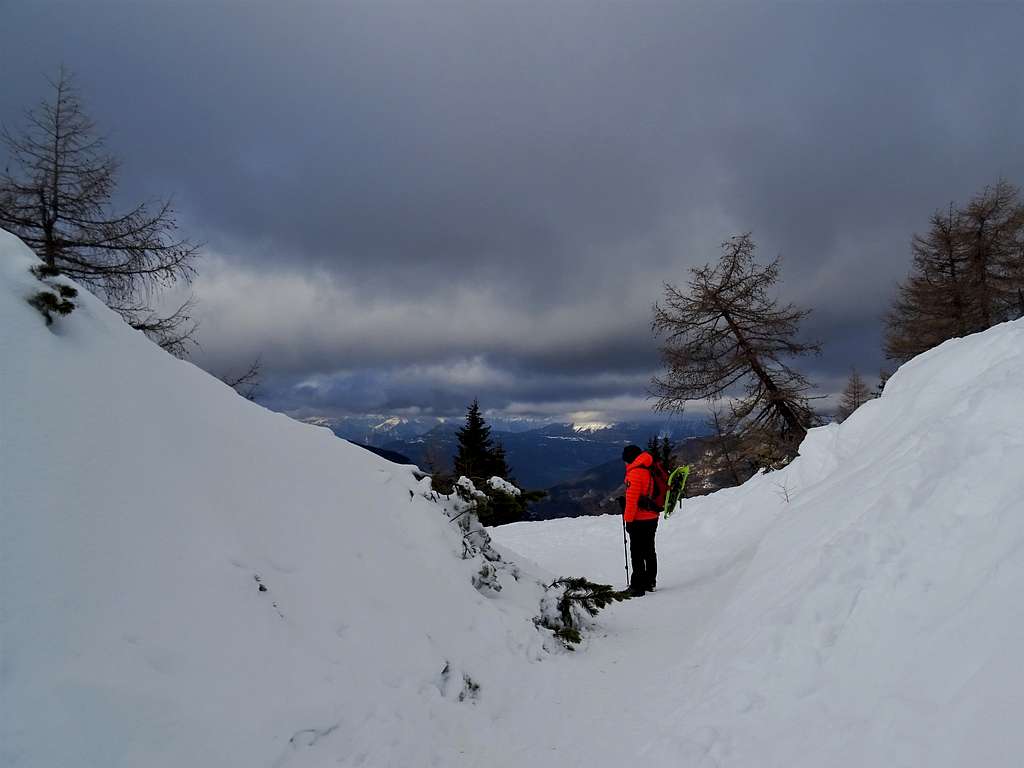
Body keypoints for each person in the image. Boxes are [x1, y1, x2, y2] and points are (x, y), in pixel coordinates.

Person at [620, 444, 659, 596]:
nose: (624, 463)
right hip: (652, 516)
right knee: (649, 550)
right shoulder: (648, 468)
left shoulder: (635, 473)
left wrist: (628, 521)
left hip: (639, 519)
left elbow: (632, 501)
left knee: (636, 552)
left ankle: (637, 587)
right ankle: (650, 582)